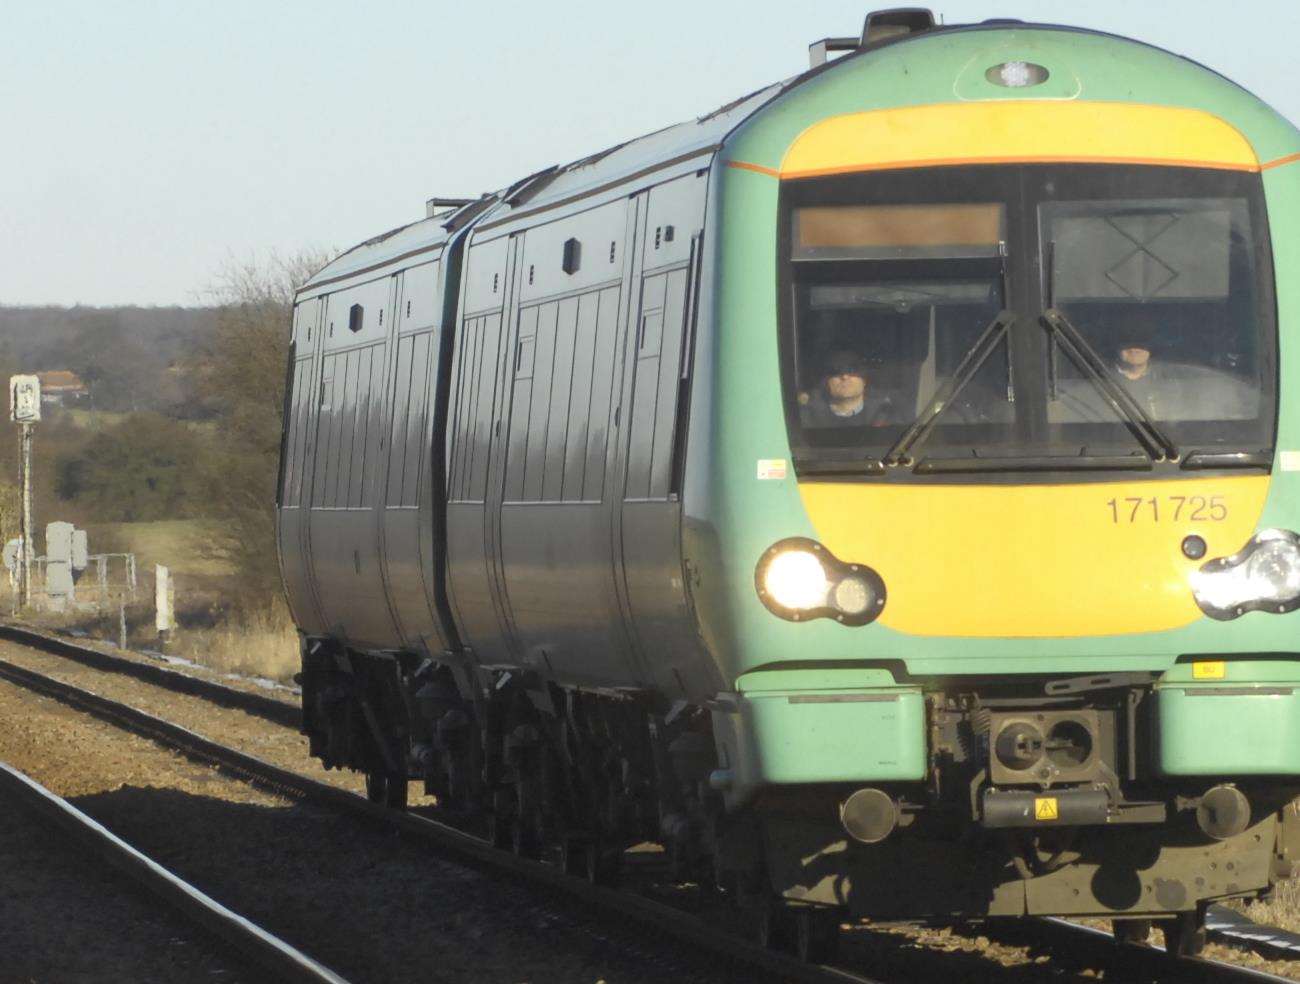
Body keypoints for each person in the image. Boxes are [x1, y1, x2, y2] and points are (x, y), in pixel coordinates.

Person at [801, 350, 891, 427]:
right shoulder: (807, 418)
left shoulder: (887, 413)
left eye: (852, 370)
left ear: (864, 380)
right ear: (826, 381)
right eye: (836, 371)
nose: (845, 376)